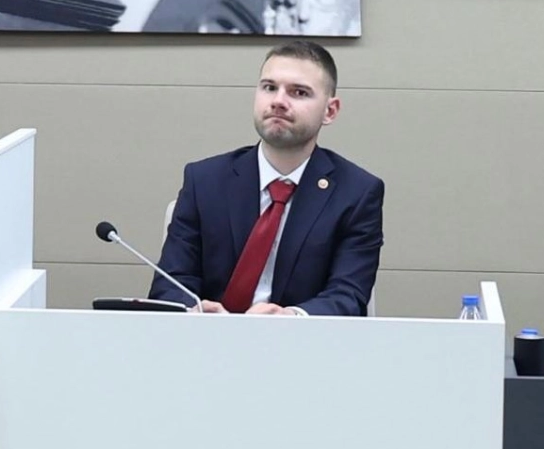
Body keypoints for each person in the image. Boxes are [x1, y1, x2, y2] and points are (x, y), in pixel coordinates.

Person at [150, 40, 383, 317]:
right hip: (208, 338)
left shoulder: (356, 193)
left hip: (302, 340)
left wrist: (291, 317)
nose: (278, 101)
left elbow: (348, 295)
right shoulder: (204, 181)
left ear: (329, 111)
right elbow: (170, 285)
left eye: (299, 92)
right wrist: (195, 309)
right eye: (270, 88)